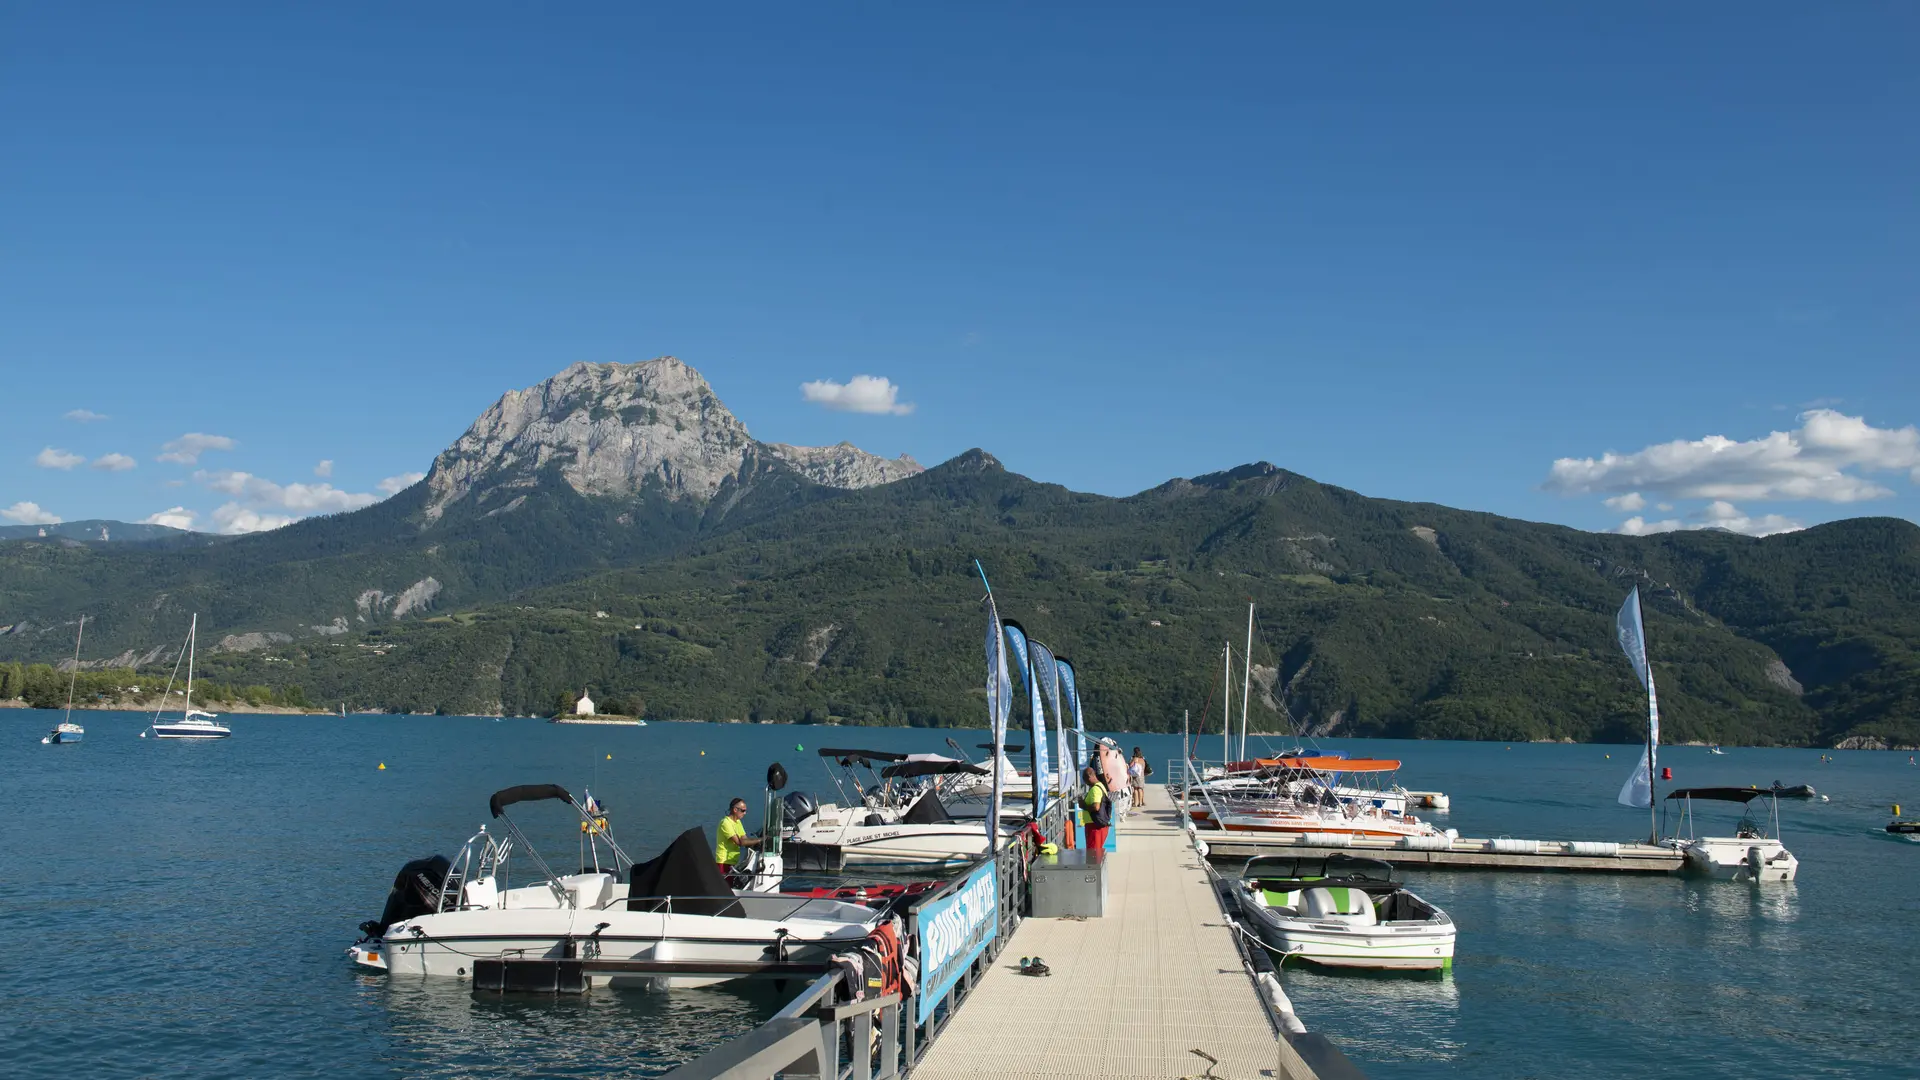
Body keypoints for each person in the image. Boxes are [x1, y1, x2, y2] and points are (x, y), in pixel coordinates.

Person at [715, 797, 760, 874]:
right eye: (743, 810)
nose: (745, 813)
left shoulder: (738, 822)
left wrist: (758, 842)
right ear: (735, 810)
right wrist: (761, 840)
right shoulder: (725, 823)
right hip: (724, 862)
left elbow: (745, 839)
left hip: (733, 861)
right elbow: (740, 842)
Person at [1080, 765, 1112, 854]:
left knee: (1093, 853)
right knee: (1096, 852)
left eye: (1085, 779)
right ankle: (1095, 866)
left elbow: (1096, 807)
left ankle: (1093, 867)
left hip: (1094, 827)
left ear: (1089, 777)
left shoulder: (1095, 789)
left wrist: (1083, 805)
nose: (1085, 782)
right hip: (1098, 825)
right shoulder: (1101, 785)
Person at [1128, 747, 1149, 811]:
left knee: (1136, 789)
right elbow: (1144, 767)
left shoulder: (1135, 758)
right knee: (1140, 788)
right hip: (1141, 775)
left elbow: (1130, 765)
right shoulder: (1142, 759)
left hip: (1136, 776)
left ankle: (1136, 803)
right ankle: (1140, 803)